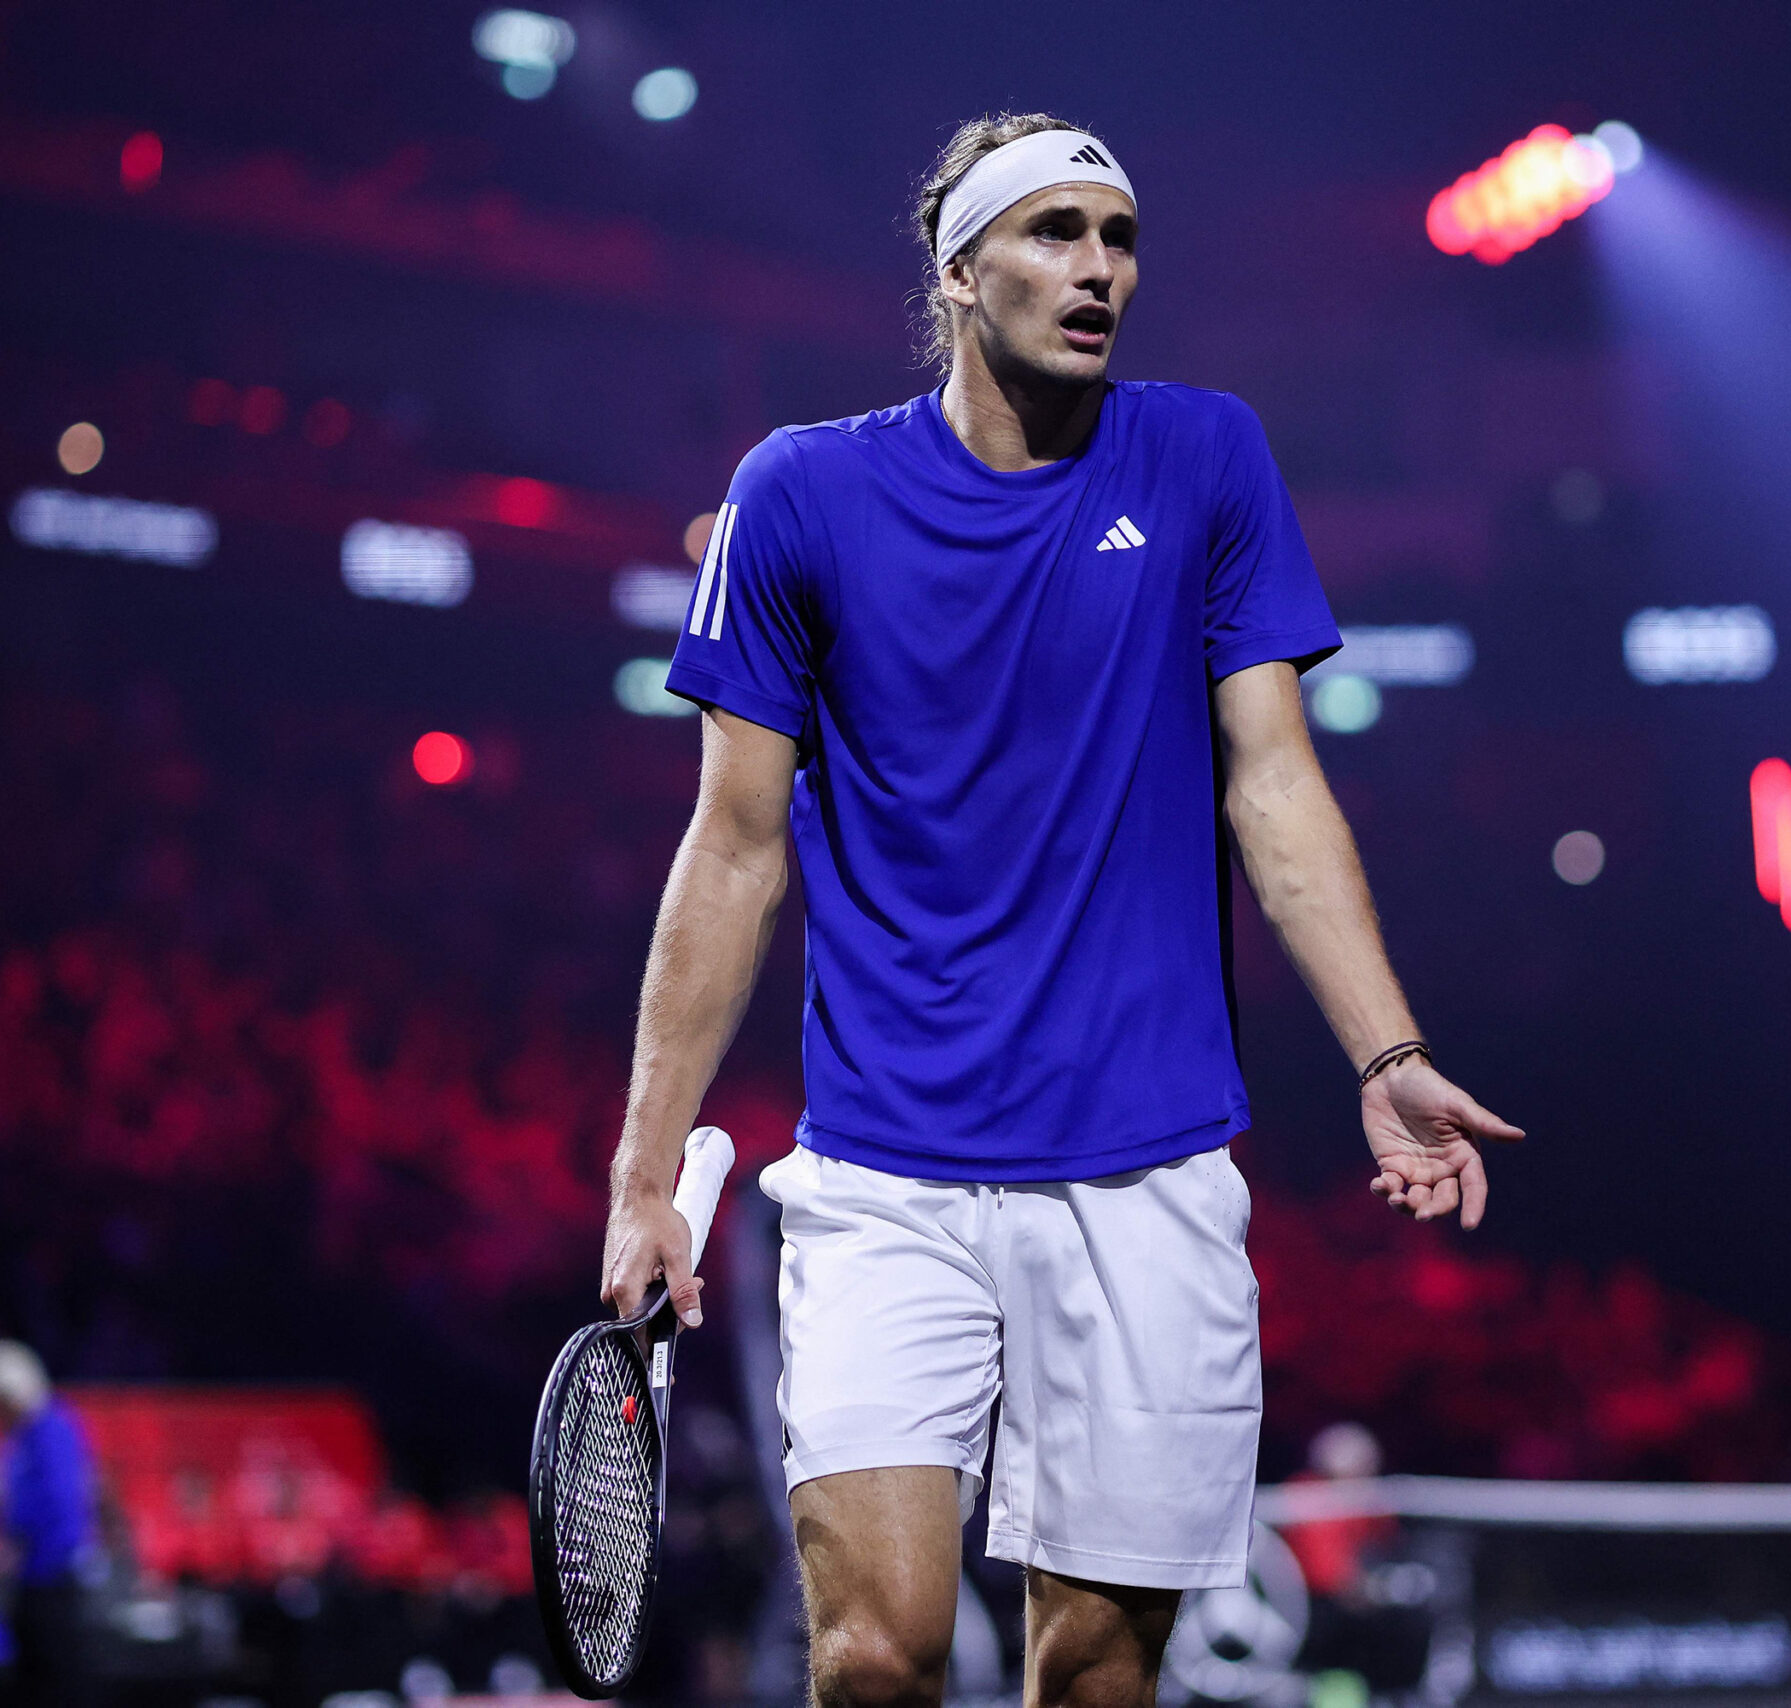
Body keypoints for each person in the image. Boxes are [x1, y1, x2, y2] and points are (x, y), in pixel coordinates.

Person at [600, 112, 1523, 1708]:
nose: (1098, 268)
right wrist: (642, 1176)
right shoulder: (800, 494)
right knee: (876, 1655)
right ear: (958, 272)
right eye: (1054, 232)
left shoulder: (1207, 455)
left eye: (1120, 237)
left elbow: (1275, 784)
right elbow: (734, 848)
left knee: (1096, 1676)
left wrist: (1387, 1057)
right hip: (887, 1175)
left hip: (1151, 1176)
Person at [0, 1341, 97, 1708]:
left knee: (59, 1680)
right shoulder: (18, 1439)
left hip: (53, 1576)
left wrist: (7, 1522)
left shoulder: (51, 1428)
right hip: (27, 1579)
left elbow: (58, 1503)